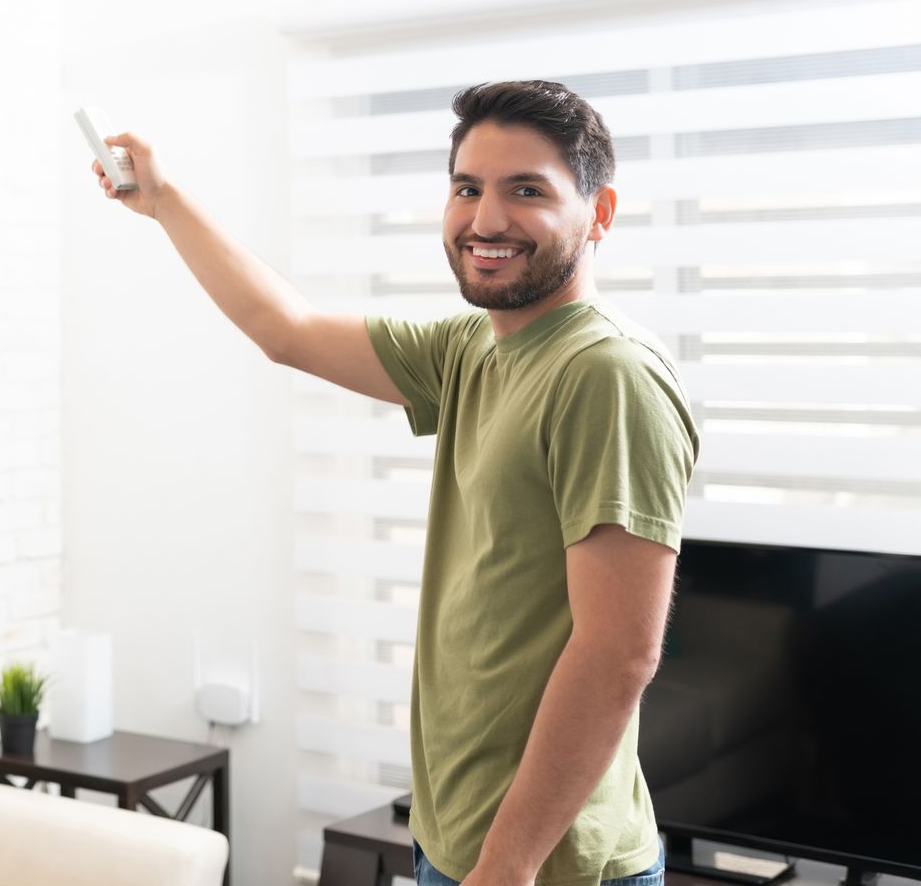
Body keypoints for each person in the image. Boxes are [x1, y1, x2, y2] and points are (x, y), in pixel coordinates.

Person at [92, 80, 696, 886]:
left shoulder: (605, 375)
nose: (485, 220)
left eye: (527, 190)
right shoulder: (471, 349)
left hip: (548, 867)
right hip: (456, 837)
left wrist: (507, 864)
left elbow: (620, 652)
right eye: (466, 188)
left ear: (601, 212)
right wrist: (163, 200)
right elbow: (289, 330)